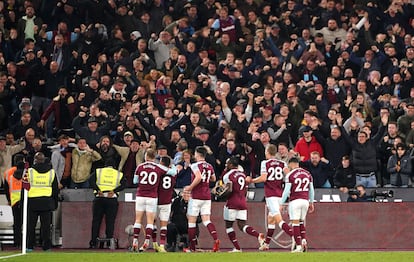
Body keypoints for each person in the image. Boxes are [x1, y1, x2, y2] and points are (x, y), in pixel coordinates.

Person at [246, 144, 292, 251]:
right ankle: (266, 244)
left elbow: (263, 178)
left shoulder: (265, 163)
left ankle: (296, 238)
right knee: (271, 220)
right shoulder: (282, 163)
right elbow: (289, 175)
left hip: (271, 195)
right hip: (280, 194)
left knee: (279, 221)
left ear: (267, 152)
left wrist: (252, 180)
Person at [131, 149, 174, 252]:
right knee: (150, 222)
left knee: (138, 220)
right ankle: (147, 241)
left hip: (140, 195)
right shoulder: (158, 167)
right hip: (152, 196)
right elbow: (172, 172)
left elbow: (135, 181)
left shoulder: (140, 167)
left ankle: (135, 241)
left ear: (146, 157)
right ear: (154, 157)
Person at [222, 156, 265, 252]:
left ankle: (237, 248)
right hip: (242, 202)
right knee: (242, 225)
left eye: (227, 163)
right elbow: (245, 190)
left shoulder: (227, 175)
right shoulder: (243, 174)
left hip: (232, 202)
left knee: (229, 226)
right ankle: (258, 235)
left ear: (231, 164)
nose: (226, 165)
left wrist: (220, 195)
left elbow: (229, 189)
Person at [183, 146, 220, 252]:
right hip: (206, 196)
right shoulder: (209, 166)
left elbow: (198, 177)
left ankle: (192, 248)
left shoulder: (195, 165)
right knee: (206, 220)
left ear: (198, 154)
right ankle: (216, 239)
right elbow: (213, 178)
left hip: (196, 196)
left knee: (191, 221)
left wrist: (190, 187)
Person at [89, 159, 126, 248]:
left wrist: (98, 190)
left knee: (96, 221)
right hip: (111, 199)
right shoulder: (118, 174)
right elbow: (124, 184)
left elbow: (91, 181)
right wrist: (114, 191)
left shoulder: (98, 171)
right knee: (110, 221)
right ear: (114, 166)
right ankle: (109, 242)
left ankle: (94, 242)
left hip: (99, 198)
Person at [280, 158, 315, 253]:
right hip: (305, 201)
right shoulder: (308, 174)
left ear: (291, 164)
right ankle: (303, 240)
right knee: (301, 222)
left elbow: (286, 191)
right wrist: (311, 202)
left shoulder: (290, 175)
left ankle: (298, 246)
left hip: (295, 201)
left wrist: (281, 203)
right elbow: (311, 190)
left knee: (295, 223)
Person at [26, 152, 59, 251]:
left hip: (33, 201)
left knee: (31, 226)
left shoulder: (30, 171)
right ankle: (46, 246)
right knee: (46, 227)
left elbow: (24, 187)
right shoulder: (51, 172)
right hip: (46, 202)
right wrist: (55, 203)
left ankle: (29, 246)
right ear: (44, 160)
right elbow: (55, 189)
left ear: (35, 160)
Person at [152, 156, 177, 252]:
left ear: (161, 163)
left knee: (153, 223)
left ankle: (154, 243)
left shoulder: (158, 173)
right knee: (164, 224)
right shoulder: (173, 174)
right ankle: (162, 245)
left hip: (156, 200)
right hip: (167, 201)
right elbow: (174, 170)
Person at [3, 154, 26, 247]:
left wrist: (9, 200)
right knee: (27, 222)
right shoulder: (27, 172)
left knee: (17, 222)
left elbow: (6, 188)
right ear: (23, 161)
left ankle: (17, 242)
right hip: (25, 200)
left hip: (14, 200)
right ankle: (27, 242)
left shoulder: (8, 172)